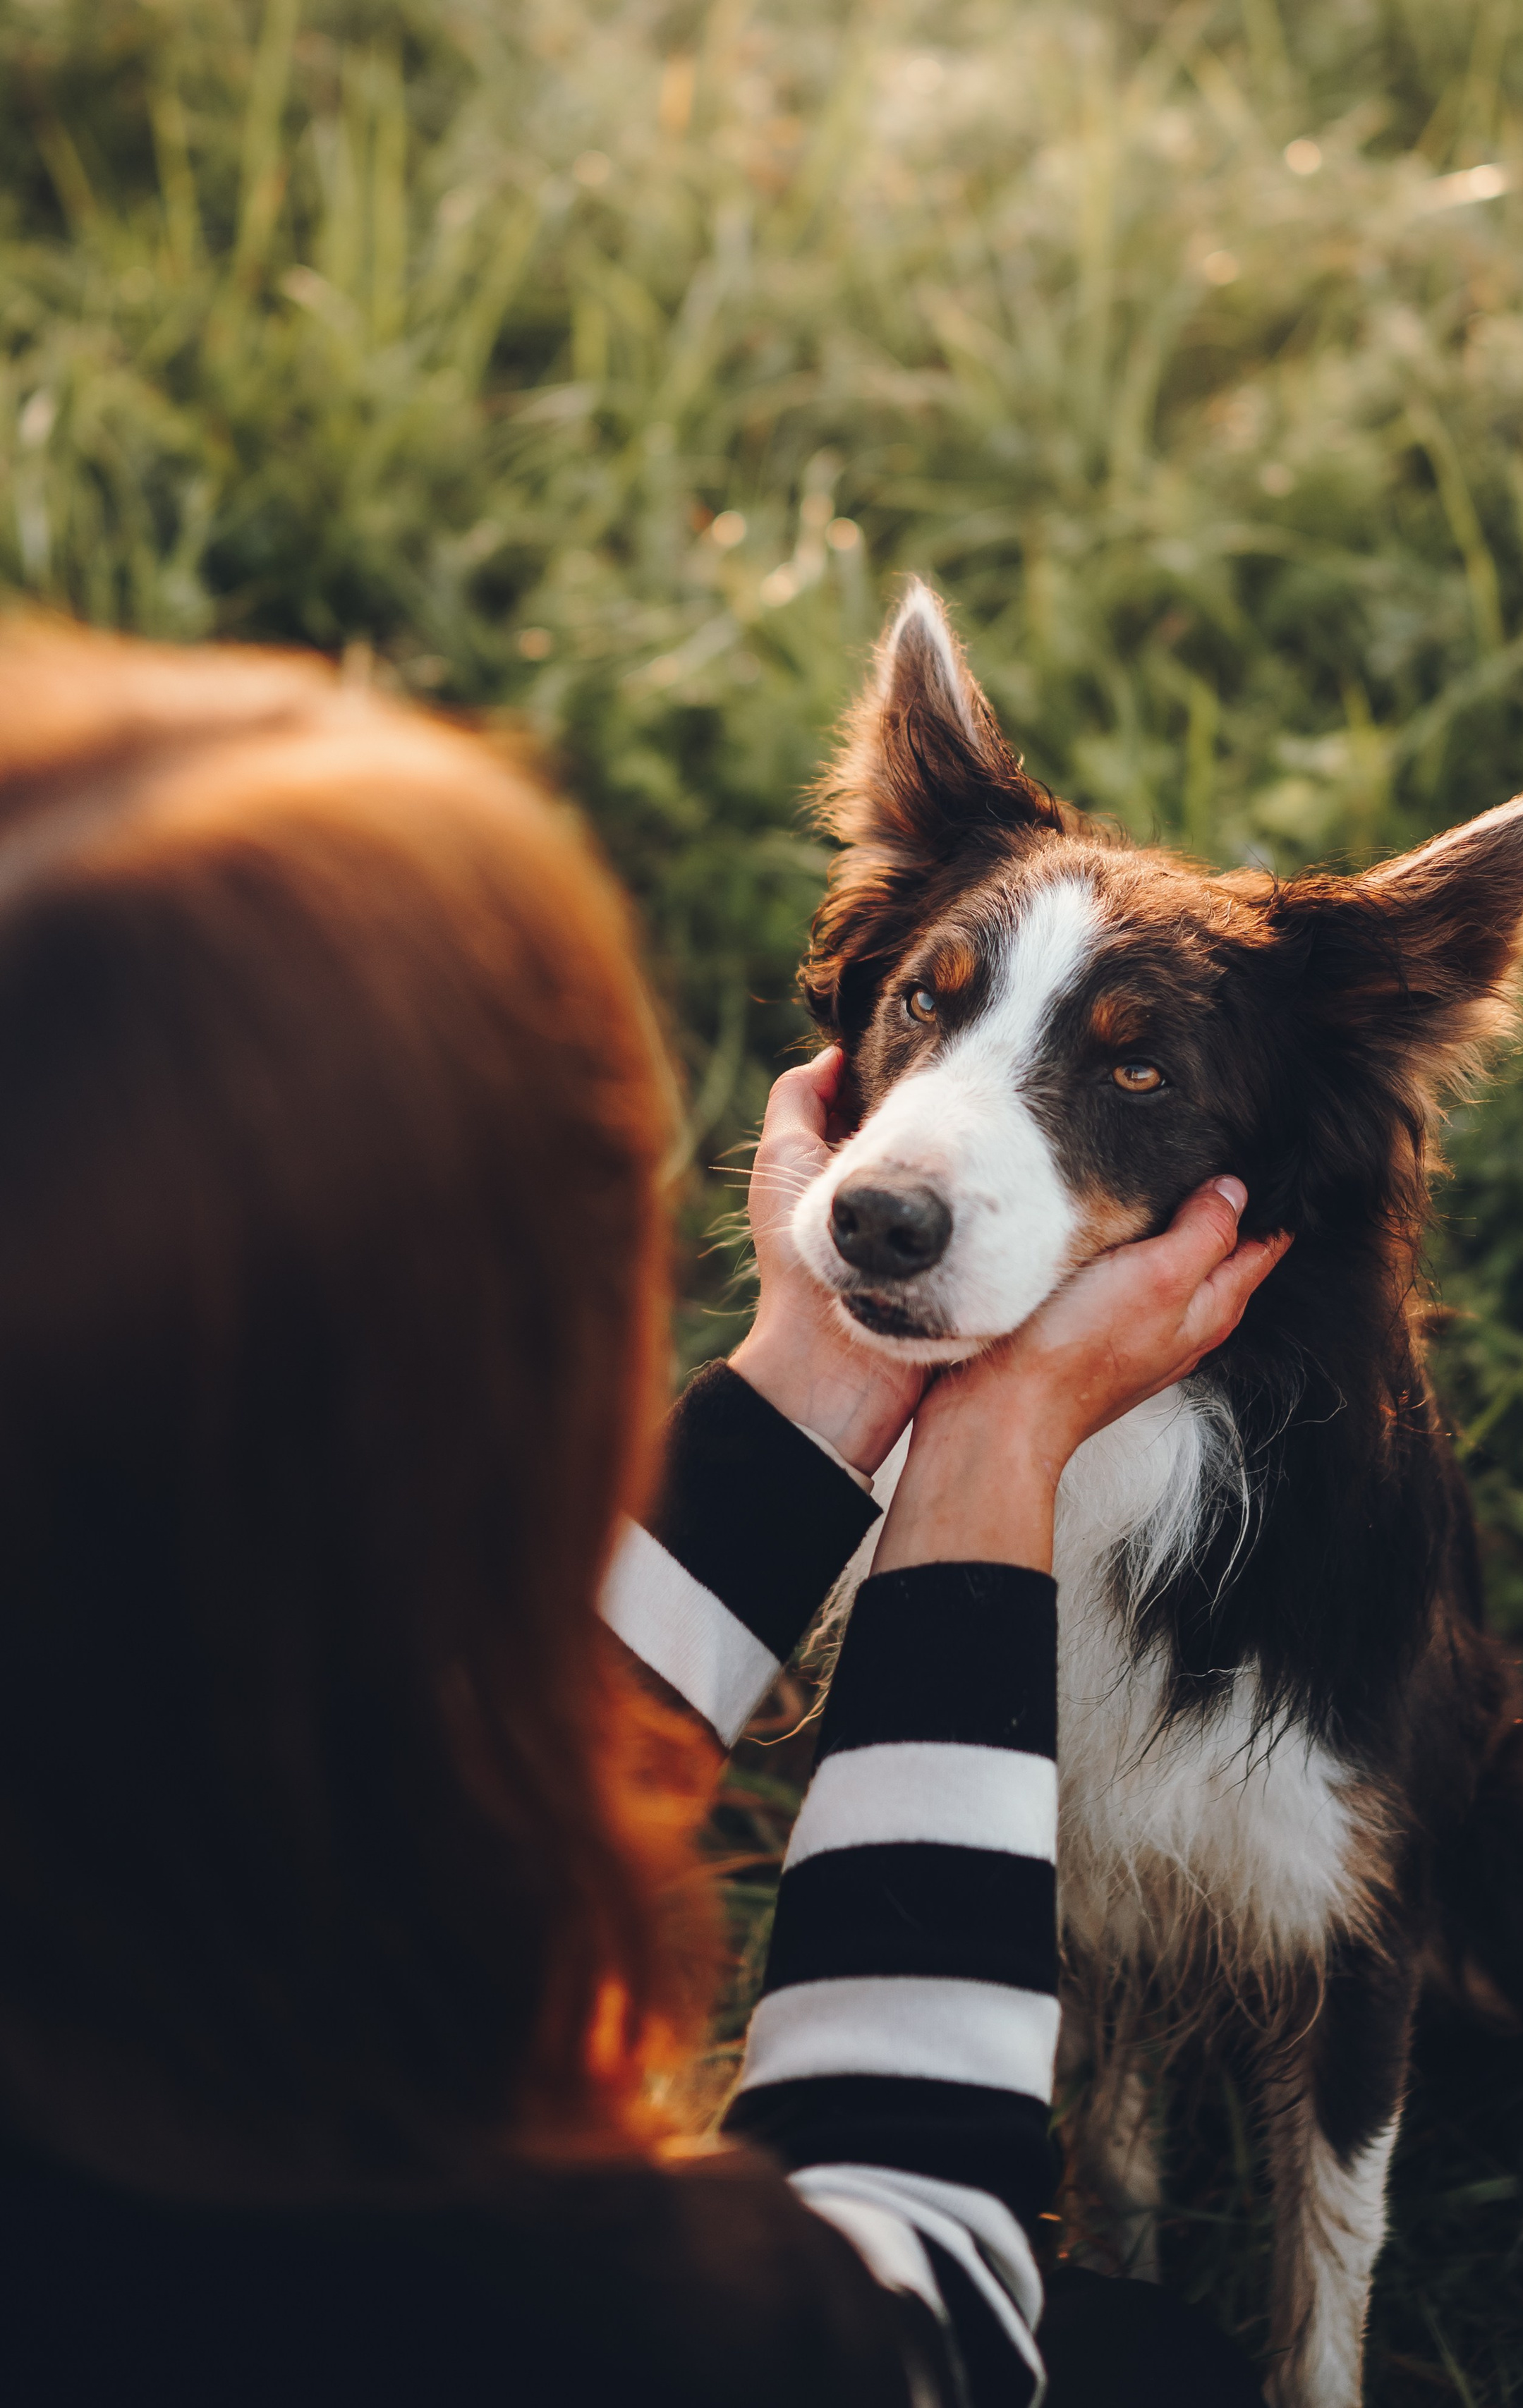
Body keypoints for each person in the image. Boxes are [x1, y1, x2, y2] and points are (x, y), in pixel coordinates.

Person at [0, 623, 1285, 2405]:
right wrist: (996, 1450)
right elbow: (930, 2300)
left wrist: (812, 1366)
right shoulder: (528, 2308)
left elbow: (382, 1772)